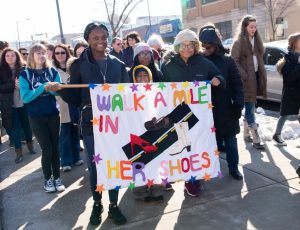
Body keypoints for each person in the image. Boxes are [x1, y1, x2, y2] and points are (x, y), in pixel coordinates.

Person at [51, 22, 128, 226]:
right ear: (88, 39)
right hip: (91, 122)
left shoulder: (118, 65)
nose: (101, 41)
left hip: (115, 123)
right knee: (95, 166)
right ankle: (97, 203)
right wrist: (59, 89)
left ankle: (113, 204)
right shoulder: (78, 65)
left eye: (104, 36)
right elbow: (75, 97)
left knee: (113, 164)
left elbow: (129, 95)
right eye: (95, 37)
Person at [161, 29, 225, 196]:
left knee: (194, 148)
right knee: (175, 147)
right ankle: (170, 175)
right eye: (183, 45)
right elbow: (159, 89)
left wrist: (218, 79)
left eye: (191, 45)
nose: (187, 48)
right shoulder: (168, 66)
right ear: (177, 46)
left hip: (198, 115)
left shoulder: (204, 63)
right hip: (175, 114)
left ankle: (192, 180)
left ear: (196, 46)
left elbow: (219, 76)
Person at [199, 25, 244, 180]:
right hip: (206, 110)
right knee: (210, 144)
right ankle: (210, 170)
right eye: (202, 44)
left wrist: (238, 104)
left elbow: (237, 83)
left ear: (216, 44)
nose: (204, 47)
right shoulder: (199, 62)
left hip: (226, 108)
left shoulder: (227, 61)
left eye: (207, 44)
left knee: (231, 142)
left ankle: (233, 168)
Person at [19, 43, 65, 193]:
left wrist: (52, 89)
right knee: (47, 148)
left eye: (43, 52)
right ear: (32, 56)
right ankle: (48, 179)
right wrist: (43, 87)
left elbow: (58, 93)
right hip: (36, 117)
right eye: (37, 53)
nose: (41, 55)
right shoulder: (24, 74)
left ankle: (57, 177)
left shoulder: (52, 71)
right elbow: (25, 98)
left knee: (56, 147)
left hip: (53, 114)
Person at [231, 15, 267, 149]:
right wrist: (245, 75)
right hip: (245, 81)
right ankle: (256, 138)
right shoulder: (238, 42)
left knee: (250, 106)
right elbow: (234, 61)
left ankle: (246, 134)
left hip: (256, 77)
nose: (254, 29)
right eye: (251, 27)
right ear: (244, 27)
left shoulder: (256, 41)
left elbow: (259, 60)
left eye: (255, 27)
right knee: (250, 108)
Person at [0, 47, 36, 163]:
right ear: (4, 58)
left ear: (17, 56)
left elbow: (33, 84)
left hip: (25, 103)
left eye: (13, 55)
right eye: (7, 55)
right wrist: (12, 85)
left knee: (27, 127)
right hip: (10, 105)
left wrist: (23, 86)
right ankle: (18, 152)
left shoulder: (25, 69)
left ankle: (31, 146)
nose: (10, 57)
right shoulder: (1, 70)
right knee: (15, 130)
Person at [52, 44, 84, 172]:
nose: (60, 55)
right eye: (57, 53)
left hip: (74, 104)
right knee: (64, 135)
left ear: (67, 53)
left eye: (62, 52)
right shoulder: (52, 70)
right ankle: (65, 161)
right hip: (61, 106)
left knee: (75, 132)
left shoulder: (74, 66)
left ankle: (76, 157)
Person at [272, 33, 300, 146]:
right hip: (292, 92)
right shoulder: (289, 58)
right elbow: (289, 77)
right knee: (284, 115)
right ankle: (277, 134)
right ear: (294, 44)